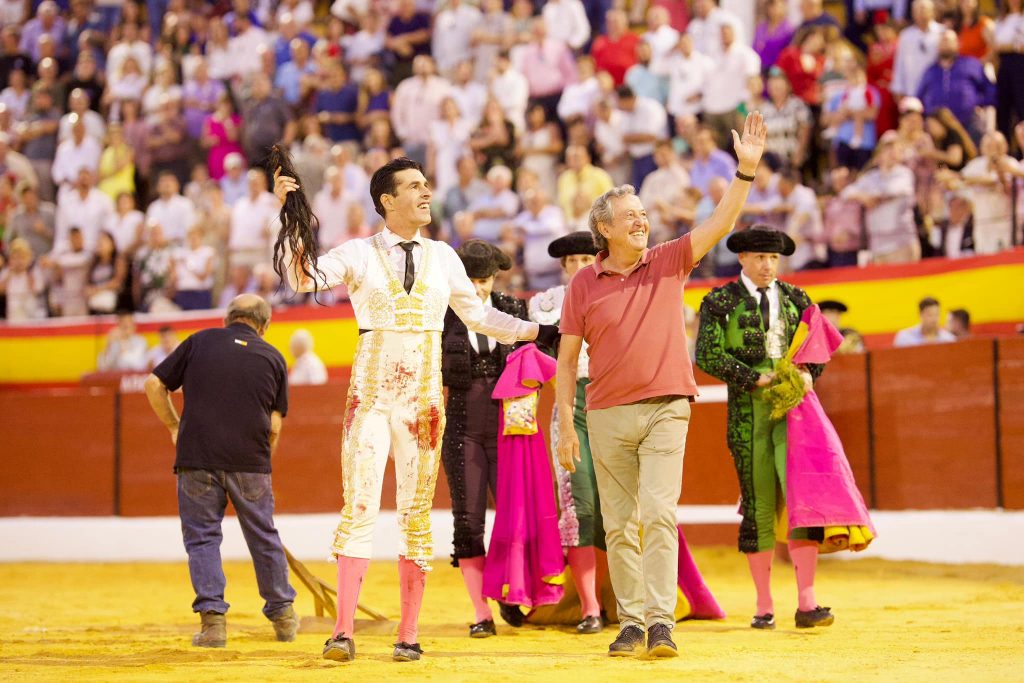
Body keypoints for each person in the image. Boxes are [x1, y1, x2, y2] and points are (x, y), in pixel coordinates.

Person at [273, 156, 557, 663]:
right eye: (414, 186)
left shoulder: (444, 256)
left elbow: (480, 315)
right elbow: (304, 278)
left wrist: (538, 331)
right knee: (358, 506)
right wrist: (289, 212)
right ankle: (342, 632)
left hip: (423, 404)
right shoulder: (358, 252)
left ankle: (408, 634)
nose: (427, 193)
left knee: (416, 515)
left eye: (426, 185)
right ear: (387, 200)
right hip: (371, 399)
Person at [555, 112, 768, 658]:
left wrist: (745, 173)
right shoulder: (584, 282)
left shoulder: (669, 260)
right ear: (604, 228)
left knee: (658, 512)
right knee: (619, 523)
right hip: (603, 413)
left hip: (666, 406)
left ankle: (660, 622)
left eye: (644, 214)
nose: (642, 222)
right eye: (630, 216)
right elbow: (568, 355)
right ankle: (630, 622)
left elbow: (720, 224)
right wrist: (563, 423)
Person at [695, 224, 832, 631]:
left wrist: (808, 375)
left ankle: (807, 601)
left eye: (773, 258)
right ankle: (764, 603)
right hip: (747, 413)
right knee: (757, 504)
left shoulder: (797, 298)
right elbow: (707, 354)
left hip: (794, 412)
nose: (767, 265)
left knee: (802, 499)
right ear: (742, 258)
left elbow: (819, 344)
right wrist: (753, 378)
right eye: (759, 257)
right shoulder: (719, 300)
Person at [143, 294, 299, 649]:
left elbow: (154, 384)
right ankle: (284, 617)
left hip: (197, 457)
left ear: (228, 318)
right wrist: (263, 461)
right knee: (264, 536)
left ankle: (214, 625)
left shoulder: (200, 341)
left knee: (202, 538)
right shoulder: (273, 357)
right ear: (264, 325)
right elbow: (275, 424)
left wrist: (172, 425)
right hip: (250, 461)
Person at [439, 240, 527, 638]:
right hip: (462, 428)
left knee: (513, 517)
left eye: (485, 279)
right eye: (471, 279)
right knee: (469, 522)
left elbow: (533, 360)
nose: (477, 288)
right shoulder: (442, 314)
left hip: (509, 425)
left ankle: (508, 590)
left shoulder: (511, 310)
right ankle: (481, 611)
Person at [528, 231, 605, 635]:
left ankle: (623, 600)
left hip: (613, 399)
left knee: (622, 507)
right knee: (581, 504)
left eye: (585, 259)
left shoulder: (614, 290)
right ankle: (591, 605)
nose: (578, 266)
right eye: (571, 260)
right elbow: (540, 360)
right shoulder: (544, 305)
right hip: (570, 406)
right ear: (563, 266)